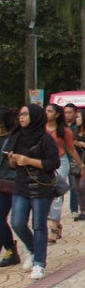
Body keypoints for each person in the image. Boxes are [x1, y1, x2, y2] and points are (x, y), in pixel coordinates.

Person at [5, 104, 60, 280]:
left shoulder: (45, 138)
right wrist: (13, 160)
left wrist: (28, 160)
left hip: (41, 186)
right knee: (17, 222)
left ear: (35, 117)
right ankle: (32, 249)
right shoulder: (16, 136)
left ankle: (39, 263)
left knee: (38, 225)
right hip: (21, 185)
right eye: (20, 114)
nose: (21, 118)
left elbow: (53, 163)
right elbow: (12, 165)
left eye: (25, 114)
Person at [45, 103, 84, 244]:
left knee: (56, 195)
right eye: (46, 111)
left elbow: (71, 149)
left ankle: (54, 227)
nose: (47, 113)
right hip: (44, 163)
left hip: (61, 162)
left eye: (50, 111)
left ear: (56, 115)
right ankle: (54, 222)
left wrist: (81, 165)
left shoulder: (64, 130)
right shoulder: (41, 129)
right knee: (44, 194)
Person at [0, 106, 20, 267]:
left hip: (10, 184)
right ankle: (9, 250)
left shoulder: (13, 139)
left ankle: (11, 250)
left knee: (8, 219)